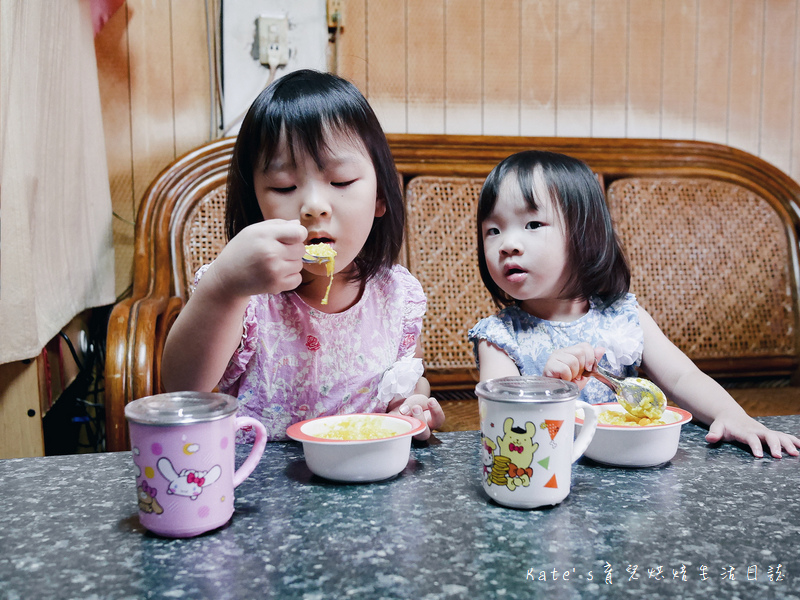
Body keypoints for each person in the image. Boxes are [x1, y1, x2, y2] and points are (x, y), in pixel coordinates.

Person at [161, 70, 444, 441]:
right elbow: (183, 388)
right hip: (264, 482)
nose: (313, 206)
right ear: (256, 202)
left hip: (367, 481)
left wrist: (411, 405)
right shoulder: (242, 296)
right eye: (284, 186)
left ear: (380, 198)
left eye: (341, 181)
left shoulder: (396, 297)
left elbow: (407, 379)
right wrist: (223, 287)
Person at [468, 150, 800, 459]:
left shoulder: (623, 316)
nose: (507, 244)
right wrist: (551, 387)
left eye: (533, 224)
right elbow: (499, 422)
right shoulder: (498, 336)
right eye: (493, 230)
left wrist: (732, 416)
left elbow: (683, 378)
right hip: (550, 472)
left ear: (586, 234)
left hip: (629, 465)